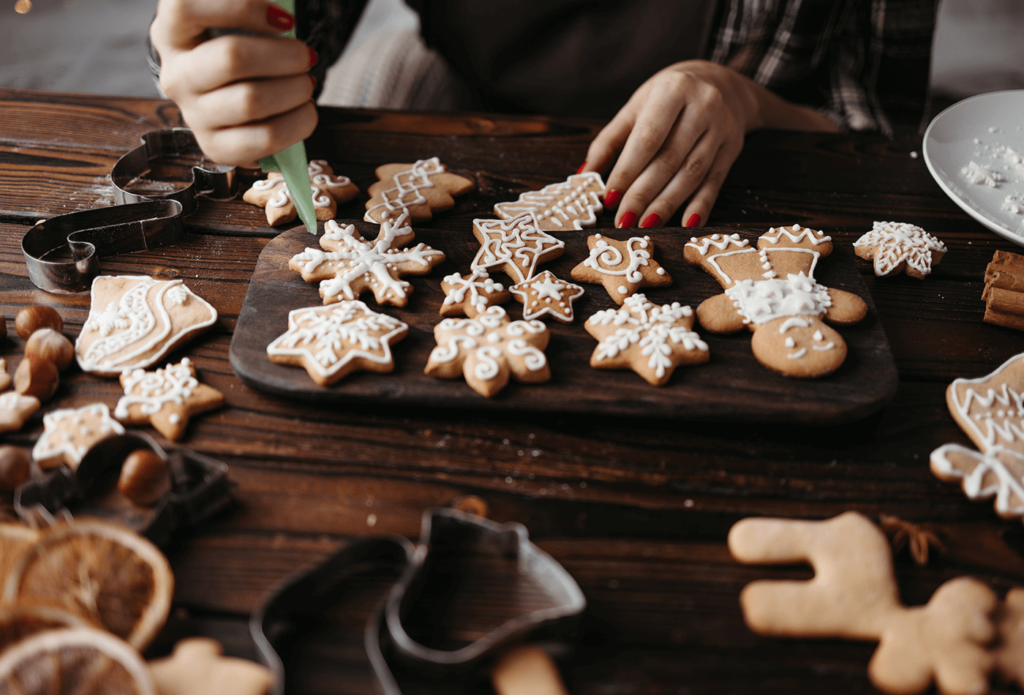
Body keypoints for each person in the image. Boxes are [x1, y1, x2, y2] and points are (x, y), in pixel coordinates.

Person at [148, 0, 939, 229]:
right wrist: (221, 56)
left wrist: (741, 96)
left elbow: (873, 141)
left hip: (755, 136)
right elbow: (293, 28)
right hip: (469, 86)